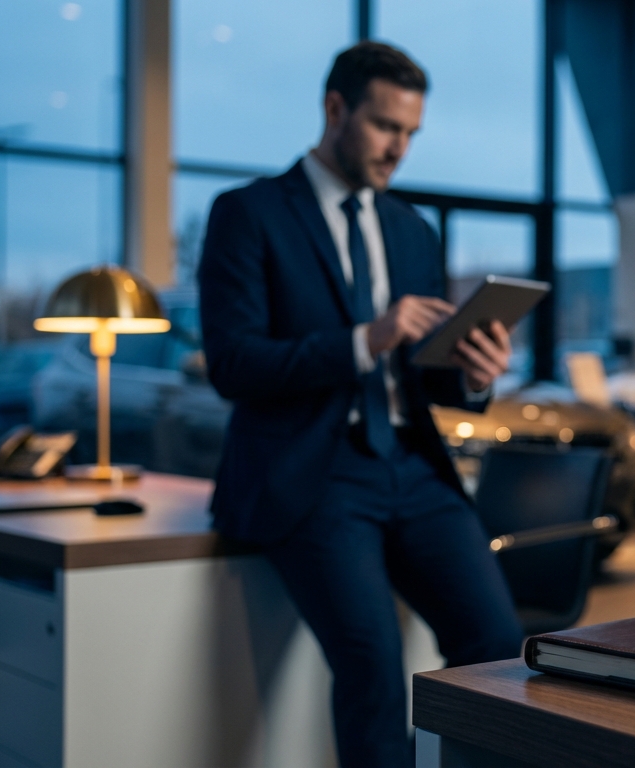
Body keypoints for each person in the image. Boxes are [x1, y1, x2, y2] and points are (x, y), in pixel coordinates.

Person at [196, 42, 525, 767]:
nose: (398, 149)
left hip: (414, 469)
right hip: (315, 475)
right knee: (374, 664)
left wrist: (474, 374)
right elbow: (232, 363)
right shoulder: (247, 214)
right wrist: (362, 339)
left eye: (410, 133)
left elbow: (425, 377)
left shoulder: (413, 230)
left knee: (499, 647)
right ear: (335, 109)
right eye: (384, 127)